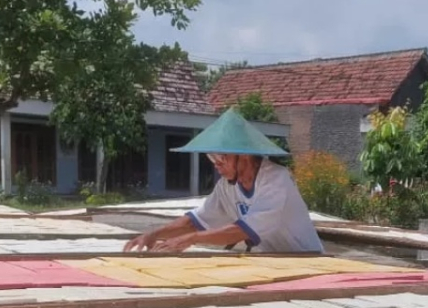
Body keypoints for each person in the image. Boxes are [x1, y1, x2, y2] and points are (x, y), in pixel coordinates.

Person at [124, 108, 324, 254]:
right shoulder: (226, 187)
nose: (216, 165)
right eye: (212, 158)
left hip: (308, 258)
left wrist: (190, 240)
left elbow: (239, 232)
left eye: (221, 157)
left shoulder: (275, 180)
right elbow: (196, 221)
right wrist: (155, 234)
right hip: (273, 259)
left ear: (244, 156)